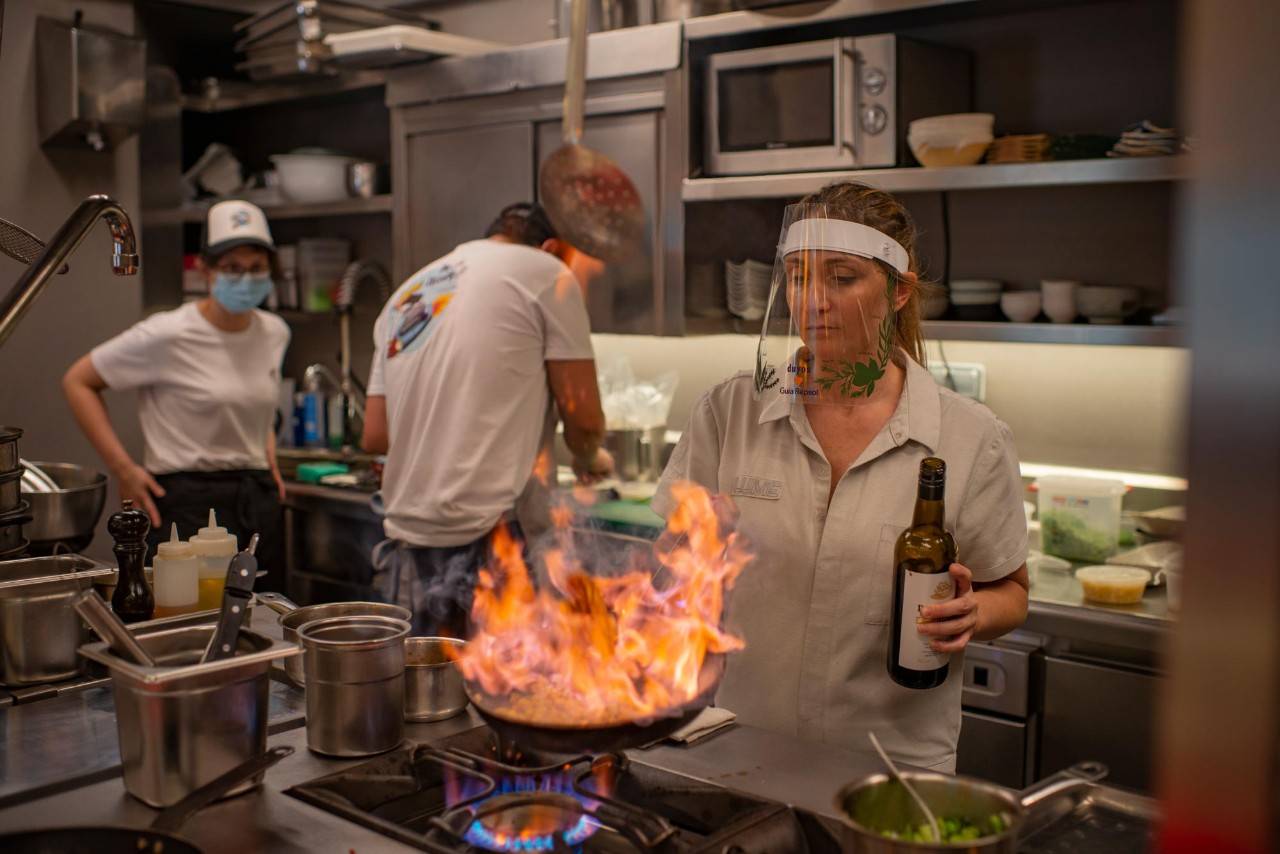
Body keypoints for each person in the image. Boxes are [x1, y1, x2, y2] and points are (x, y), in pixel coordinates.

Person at [653, 182, 1029, 773]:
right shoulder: (732, 413)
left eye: (842, 277)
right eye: (799, 276)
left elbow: (1012, 592)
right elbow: (671, 571)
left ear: (900, 290)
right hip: (739, 754)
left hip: (888, 772)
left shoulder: (969, 438)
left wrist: (973, 614)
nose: (812, 301)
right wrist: (686, 556)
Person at [362, 201, 612, 636]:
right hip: (492, 542)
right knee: (503, 696)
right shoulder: (547, 273)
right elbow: (584, 418)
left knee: (423, 695)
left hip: (405, 545)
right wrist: (589, 457)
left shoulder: (409, 292)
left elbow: (375, 434)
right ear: (552, 247)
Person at [63, 200, 290, 584]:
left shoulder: (274, 331)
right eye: (231, 267)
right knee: (188, 619)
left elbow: (256, 398)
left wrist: (265, 451)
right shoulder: (167, 333)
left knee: (265, 617)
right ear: (205, 269)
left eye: (256, 268)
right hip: (188, 502)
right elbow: (78, 381)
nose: (245, 278)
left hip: (256, 496)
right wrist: (124, 470)